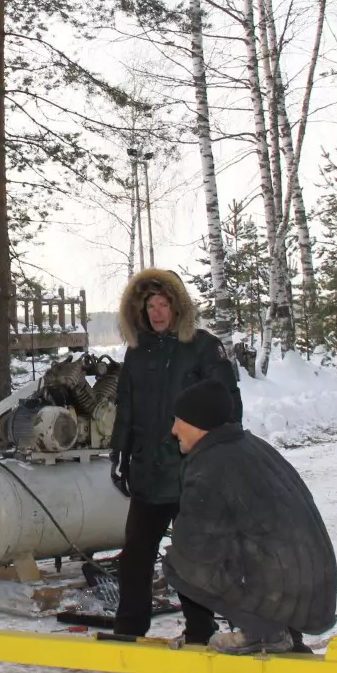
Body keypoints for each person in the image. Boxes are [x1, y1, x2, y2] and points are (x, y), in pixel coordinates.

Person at [163, 379, 337, 673]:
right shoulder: (247, 448)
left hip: (283, 582)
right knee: (289, 650)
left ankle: (259, 630)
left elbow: (196, 549)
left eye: (179, 420)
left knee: (179, 565)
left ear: (199, 424)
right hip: (307, 577)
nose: (174, 429)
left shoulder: (210, 466)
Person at [107, 269, 235, 637]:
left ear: (178, 308)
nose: (158, 312)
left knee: (190, 557)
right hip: (149, 472)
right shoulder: (137, 353)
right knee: (135, 556)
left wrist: (221, 457)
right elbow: (126, 407)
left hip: (192, 472)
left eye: (164, 304)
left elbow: (227, 405)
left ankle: (199, 628)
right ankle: (129, 628)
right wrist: (120, 454)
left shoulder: (203, 347)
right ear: (141, 310)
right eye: (151, 305)